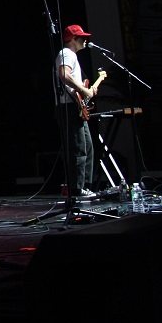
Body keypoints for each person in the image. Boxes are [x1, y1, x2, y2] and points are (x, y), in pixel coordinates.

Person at [55, 24, 101, 199]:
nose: (85, 40)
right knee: (78, 148)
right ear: (73, 39)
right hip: (68, 107)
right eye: (82, 37)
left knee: (87, 146)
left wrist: (86, 90)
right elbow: (64, 75)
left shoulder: (71, 55)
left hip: (74, 106)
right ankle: (77, 189)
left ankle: (84, 186)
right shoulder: (67, 54)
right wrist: (83, 90)